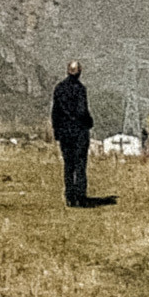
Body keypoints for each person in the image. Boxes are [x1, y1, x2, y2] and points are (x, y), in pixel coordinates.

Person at [51, 59, 94, 207]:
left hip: (64, 132)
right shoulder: (80, 89)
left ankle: (70, 196)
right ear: (79, 72)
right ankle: (81, 196)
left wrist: (56, 131)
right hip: (79, 131)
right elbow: (82, 111)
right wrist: (89, 122)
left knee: (68, 165)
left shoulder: (59, 88)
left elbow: (55, 112)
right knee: (80, 165)